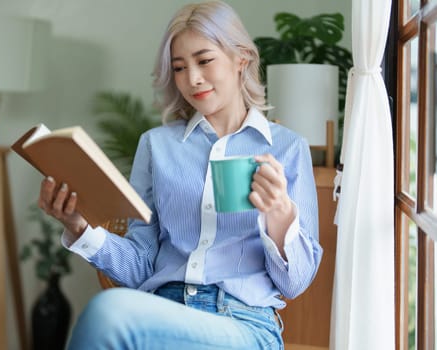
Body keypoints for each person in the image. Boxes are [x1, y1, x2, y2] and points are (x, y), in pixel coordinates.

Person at [38, 1, 323, 349]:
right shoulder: (156, 146)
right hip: (162, 312)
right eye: (179, 67)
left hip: (243, 323)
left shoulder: (288, 149)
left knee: (109, 312)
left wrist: (279, 215)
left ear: (241, 59)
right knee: (110, 314)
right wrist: (78, 226)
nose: (193, 79)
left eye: (204, 61)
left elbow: (295, 283)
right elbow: (142, 266)